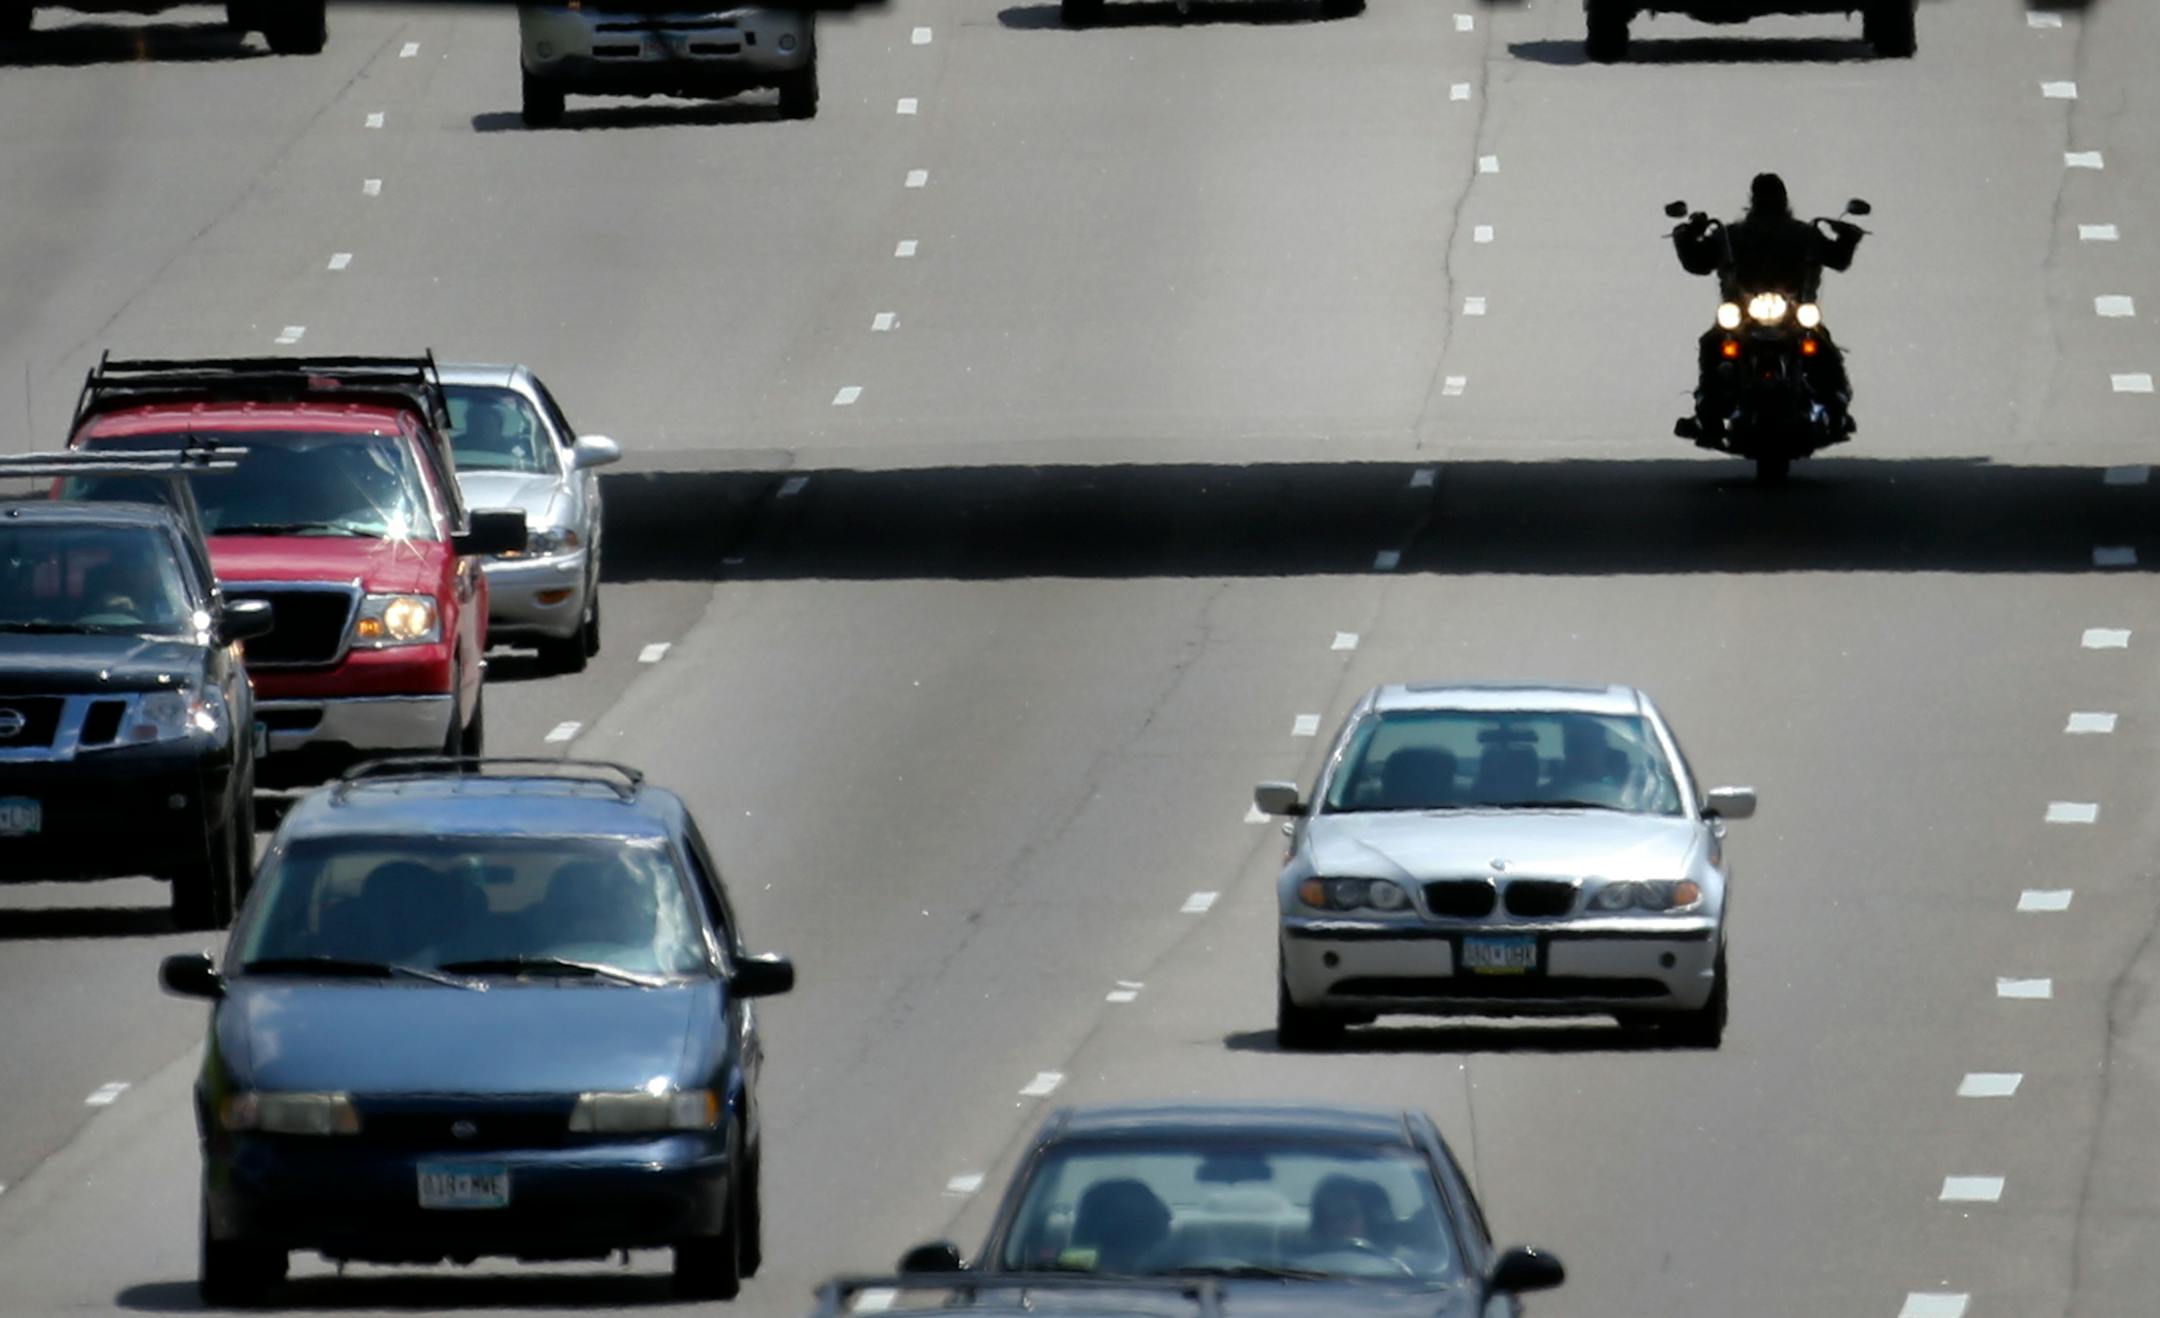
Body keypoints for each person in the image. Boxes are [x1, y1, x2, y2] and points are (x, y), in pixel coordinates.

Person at [1672, 173, 1863, 441]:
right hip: (1744, 315)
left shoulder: (1803, 234)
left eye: (1772, 196)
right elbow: (1698, 262)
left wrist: (1847, 236)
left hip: (1794, 314)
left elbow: (1837, 259)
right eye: (1766, 196)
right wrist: (1687, 234)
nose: (1769, 202)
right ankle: (1708, 413)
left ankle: (1836, 409)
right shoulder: (1732, 236)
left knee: (1824, 351)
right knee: (1713, 345)